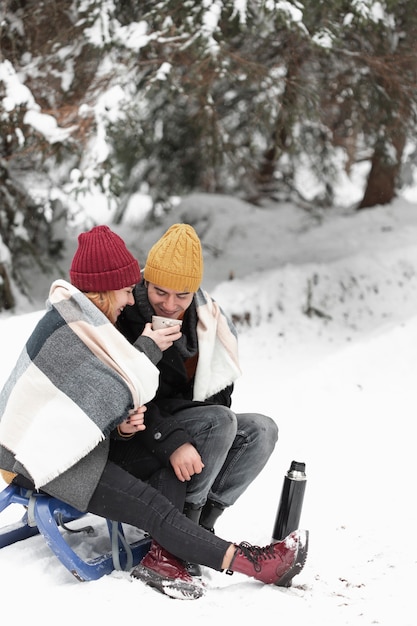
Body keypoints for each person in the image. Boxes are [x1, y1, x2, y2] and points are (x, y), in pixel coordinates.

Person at [0, 225, 308, 600]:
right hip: (39, 459)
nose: (133, 299)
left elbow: (97, 405)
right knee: (154, 508)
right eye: (132, 290)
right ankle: (251, 563)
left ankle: (191, 540)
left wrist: (127, 428)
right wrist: (146, 352)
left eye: (182, 294)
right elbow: (106, 391)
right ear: (108, 287)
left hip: (72, 446)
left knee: (207, 456)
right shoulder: (77, 326)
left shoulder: (92, 320)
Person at [116, 224, 279, 566]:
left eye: (182, 295)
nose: (171, 304)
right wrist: (173, 440)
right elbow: (122, 393)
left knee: (261, 431)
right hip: (138, 430)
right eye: (160, 291)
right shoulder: (125, 314)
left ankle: (203, 523)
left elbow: (220, 396)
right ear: (147, 280)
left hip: (190, 422)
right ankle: (182, 533)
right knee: (218, 421)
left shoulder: (207, 321)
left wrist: (202, 432)